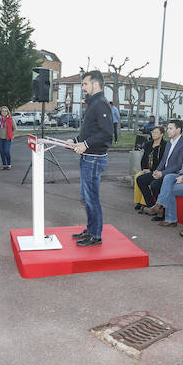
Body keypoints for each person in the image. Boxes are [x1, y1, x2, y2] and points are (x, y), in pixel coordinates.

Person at [68, 71, 114, 246]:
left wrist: (85, 145)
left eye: (85, 84)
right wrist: (75, 141)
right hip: (89, 157)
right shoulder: (94, 103)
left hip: (94, 159)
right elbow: (91, 131)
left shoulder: (101, 104)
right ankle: (91, 229)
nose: (83, 87)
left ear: (95, 85)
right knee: (86, 196)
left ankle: (95, 235)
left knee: (91, 197)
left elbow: (106, 133)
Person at [136, 120, 183, 212]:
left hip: (173, 174)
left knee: (155, 185)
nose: (168, 130)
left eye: (171, 128)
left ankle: (163, 211)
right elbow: (163, 160)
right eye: (168, 128)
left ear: (178, 130)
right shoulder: (170, 142)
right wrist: (156, 171)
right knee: (140, 179)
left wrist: (162, 173)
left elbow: (178, 165)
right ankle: (151, 206)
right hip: (163, 172)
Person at [133, 125, 165, 209]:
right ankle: (139, 201)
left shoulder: (164, 146)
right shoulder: (148, 144)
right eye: (152, 132)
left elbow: (162, 162)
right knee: (137, 176)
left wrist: (151, 170)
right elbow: (143, 158)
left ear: (161, 134)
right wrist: (144, 168)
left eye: (156, 132)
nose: (153, 134)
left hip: (155, 170)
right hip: (146, 169)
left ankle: (146, 204)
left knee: (144, 180)